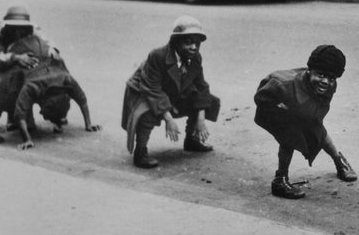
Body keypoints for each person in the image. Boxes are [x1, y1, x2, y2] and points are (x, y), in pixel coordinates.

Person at [254, 44, 357, 199]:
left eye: (331, 78)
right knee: (288, 138)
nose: (325, 81)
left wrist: (310, 119)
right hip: (280, 111)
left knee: (317, 130)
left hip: (303, 110)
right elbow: (261, 98)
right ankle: (280, 180)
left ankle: (339, 160)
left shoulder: (329, 85)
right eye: (321, 75)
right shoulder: (283, 84)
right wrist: (281, 107)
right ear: (309, 70)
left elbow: (320, 109)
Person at [121, 15, 220, 168]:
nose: (194, 47)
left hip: (169, 91)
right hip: (142, 92)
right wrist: (169, 119)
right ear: (175, 42)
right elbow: (152, 89)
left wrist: (201, 120)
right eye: (188, 42)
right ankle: (140, 152)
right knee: (147, 112)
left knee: (206, 100)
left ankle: (191, 140)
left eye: (197, 43)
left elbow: (201, 87)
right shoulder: (157, 56)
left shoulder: (195, 57)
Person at [0, 5, 58, 144]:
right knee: (5, 85)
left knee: (33, 78)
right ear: (7, 27)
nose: (18, 32)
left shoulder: (33, 30)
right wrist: (16, 58)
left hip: (22, 64)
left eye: (21, 28)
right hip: (0, 67)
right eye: (14, 28)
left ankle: (17, 117)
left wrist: (53, 51)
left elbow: (47, 43)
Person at [13, 56, 101, 150]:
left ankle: (57, 119)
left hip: (48, 65)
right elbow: (19, 115)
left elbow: (82, 100)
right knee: (13, 97)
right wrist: (27, 139)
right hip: (26, 64)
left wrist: (88, 124)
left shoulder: (67, 79)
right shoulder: (32, 86)